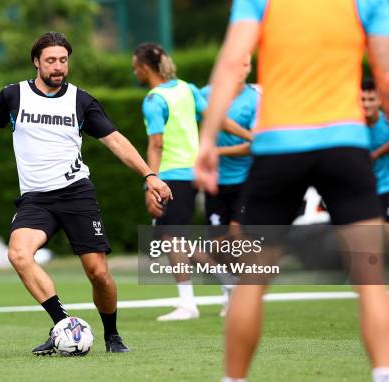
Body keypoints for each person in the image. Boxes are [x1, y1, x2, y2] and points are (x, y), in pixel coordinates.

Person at [194, 1, 389, 381]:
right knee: (370, 275)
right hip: (344, 143)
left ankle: (233, 379)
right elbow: (384, 73)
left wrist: (207, 139)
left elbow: (233, 60)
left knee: (253, 278)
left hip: (278, 146)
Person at [0, 31, 172, 355]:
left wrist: (149, 174)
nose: (58, 67)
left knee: (98, 273)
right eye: (51, 61)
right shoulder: (12, 96)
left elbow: (115, 140)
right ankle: (63, 324)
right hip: (36, 199)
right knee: (18, 254)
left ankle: (112, 335)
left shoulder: (81, 100)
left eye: (63, 60)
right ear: (36, 62)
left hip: (76, 194)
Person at [132, 42, 250, 321]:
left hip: (171, 176)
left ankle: (189, 303)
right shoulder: (187, 88)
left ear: (145, 68)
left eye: (135, 68)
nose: (134, 73)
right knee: (174, 239)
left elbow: (156, 145)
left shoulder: (153, 100)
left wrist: (152, 182)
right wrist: (249, 135)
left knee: (172, 239)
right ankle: (228, 281)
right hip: (191, 175)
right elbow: (216, 120)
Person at [200, 53, 259, 317]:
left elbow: (254, 144)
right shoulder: (207, 93)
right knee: (219, 244)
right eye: (238, 62)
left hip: (245, 180)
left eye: (246, 63)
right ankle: (230, 291)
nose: (242, 68)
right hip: (214, 183)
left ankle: (246, 296)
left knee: (237, 235)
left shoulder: (255, 100)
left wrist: (218, 152)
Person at [362, 78, 389, 222]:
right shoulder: (354, 126)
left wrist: (376, 153)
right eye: (363, 99)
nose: (366, 104)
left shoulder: (386, 121)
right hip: (365, 193)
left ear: (379, 101)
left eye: (371, 99)